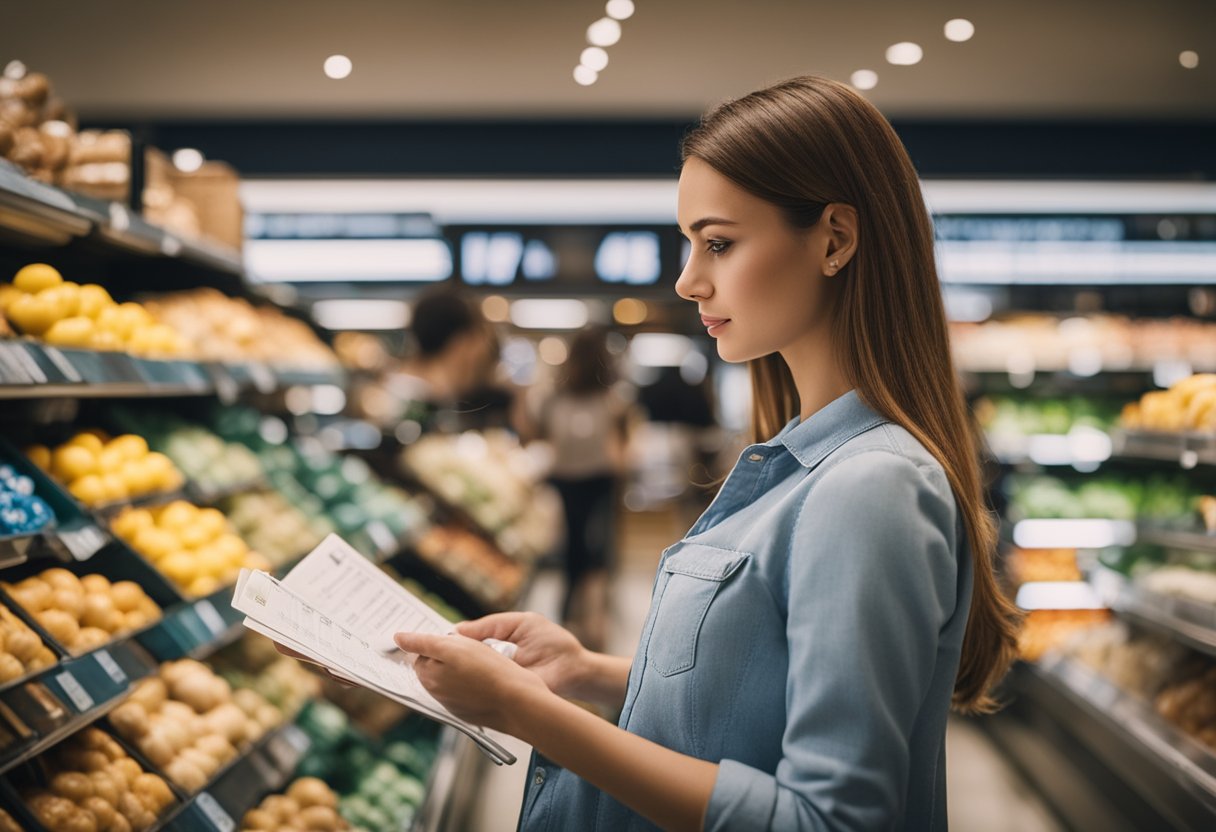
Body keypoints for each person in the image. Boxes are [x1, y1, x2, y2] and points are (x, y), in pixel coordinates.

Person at [388, 75, 1022, 830]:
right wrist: (587, 674)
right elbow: (757, 703)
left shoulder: (869, 485)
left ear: (836, 239)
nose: (689, 280)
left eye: (718, 242)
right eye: (691, 244)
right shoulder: (800, 458)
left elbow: (830, 820)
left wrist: (532, 714)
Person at [523, 326, 631, 653]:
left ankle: (569, 614)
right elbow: (622, 445)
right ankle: (594, 619)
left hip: (564, 477)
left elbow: (534, 432)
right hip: (601, 477)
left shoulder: (555, 395)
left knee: (572, 547)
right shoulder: (613, 396)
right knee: (598, 548)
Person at [379, 286, 495, 432]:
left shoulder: (429, 397)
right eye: (480, 336)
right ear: (461, 343)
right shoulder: (411, 404)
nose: (483, 349)